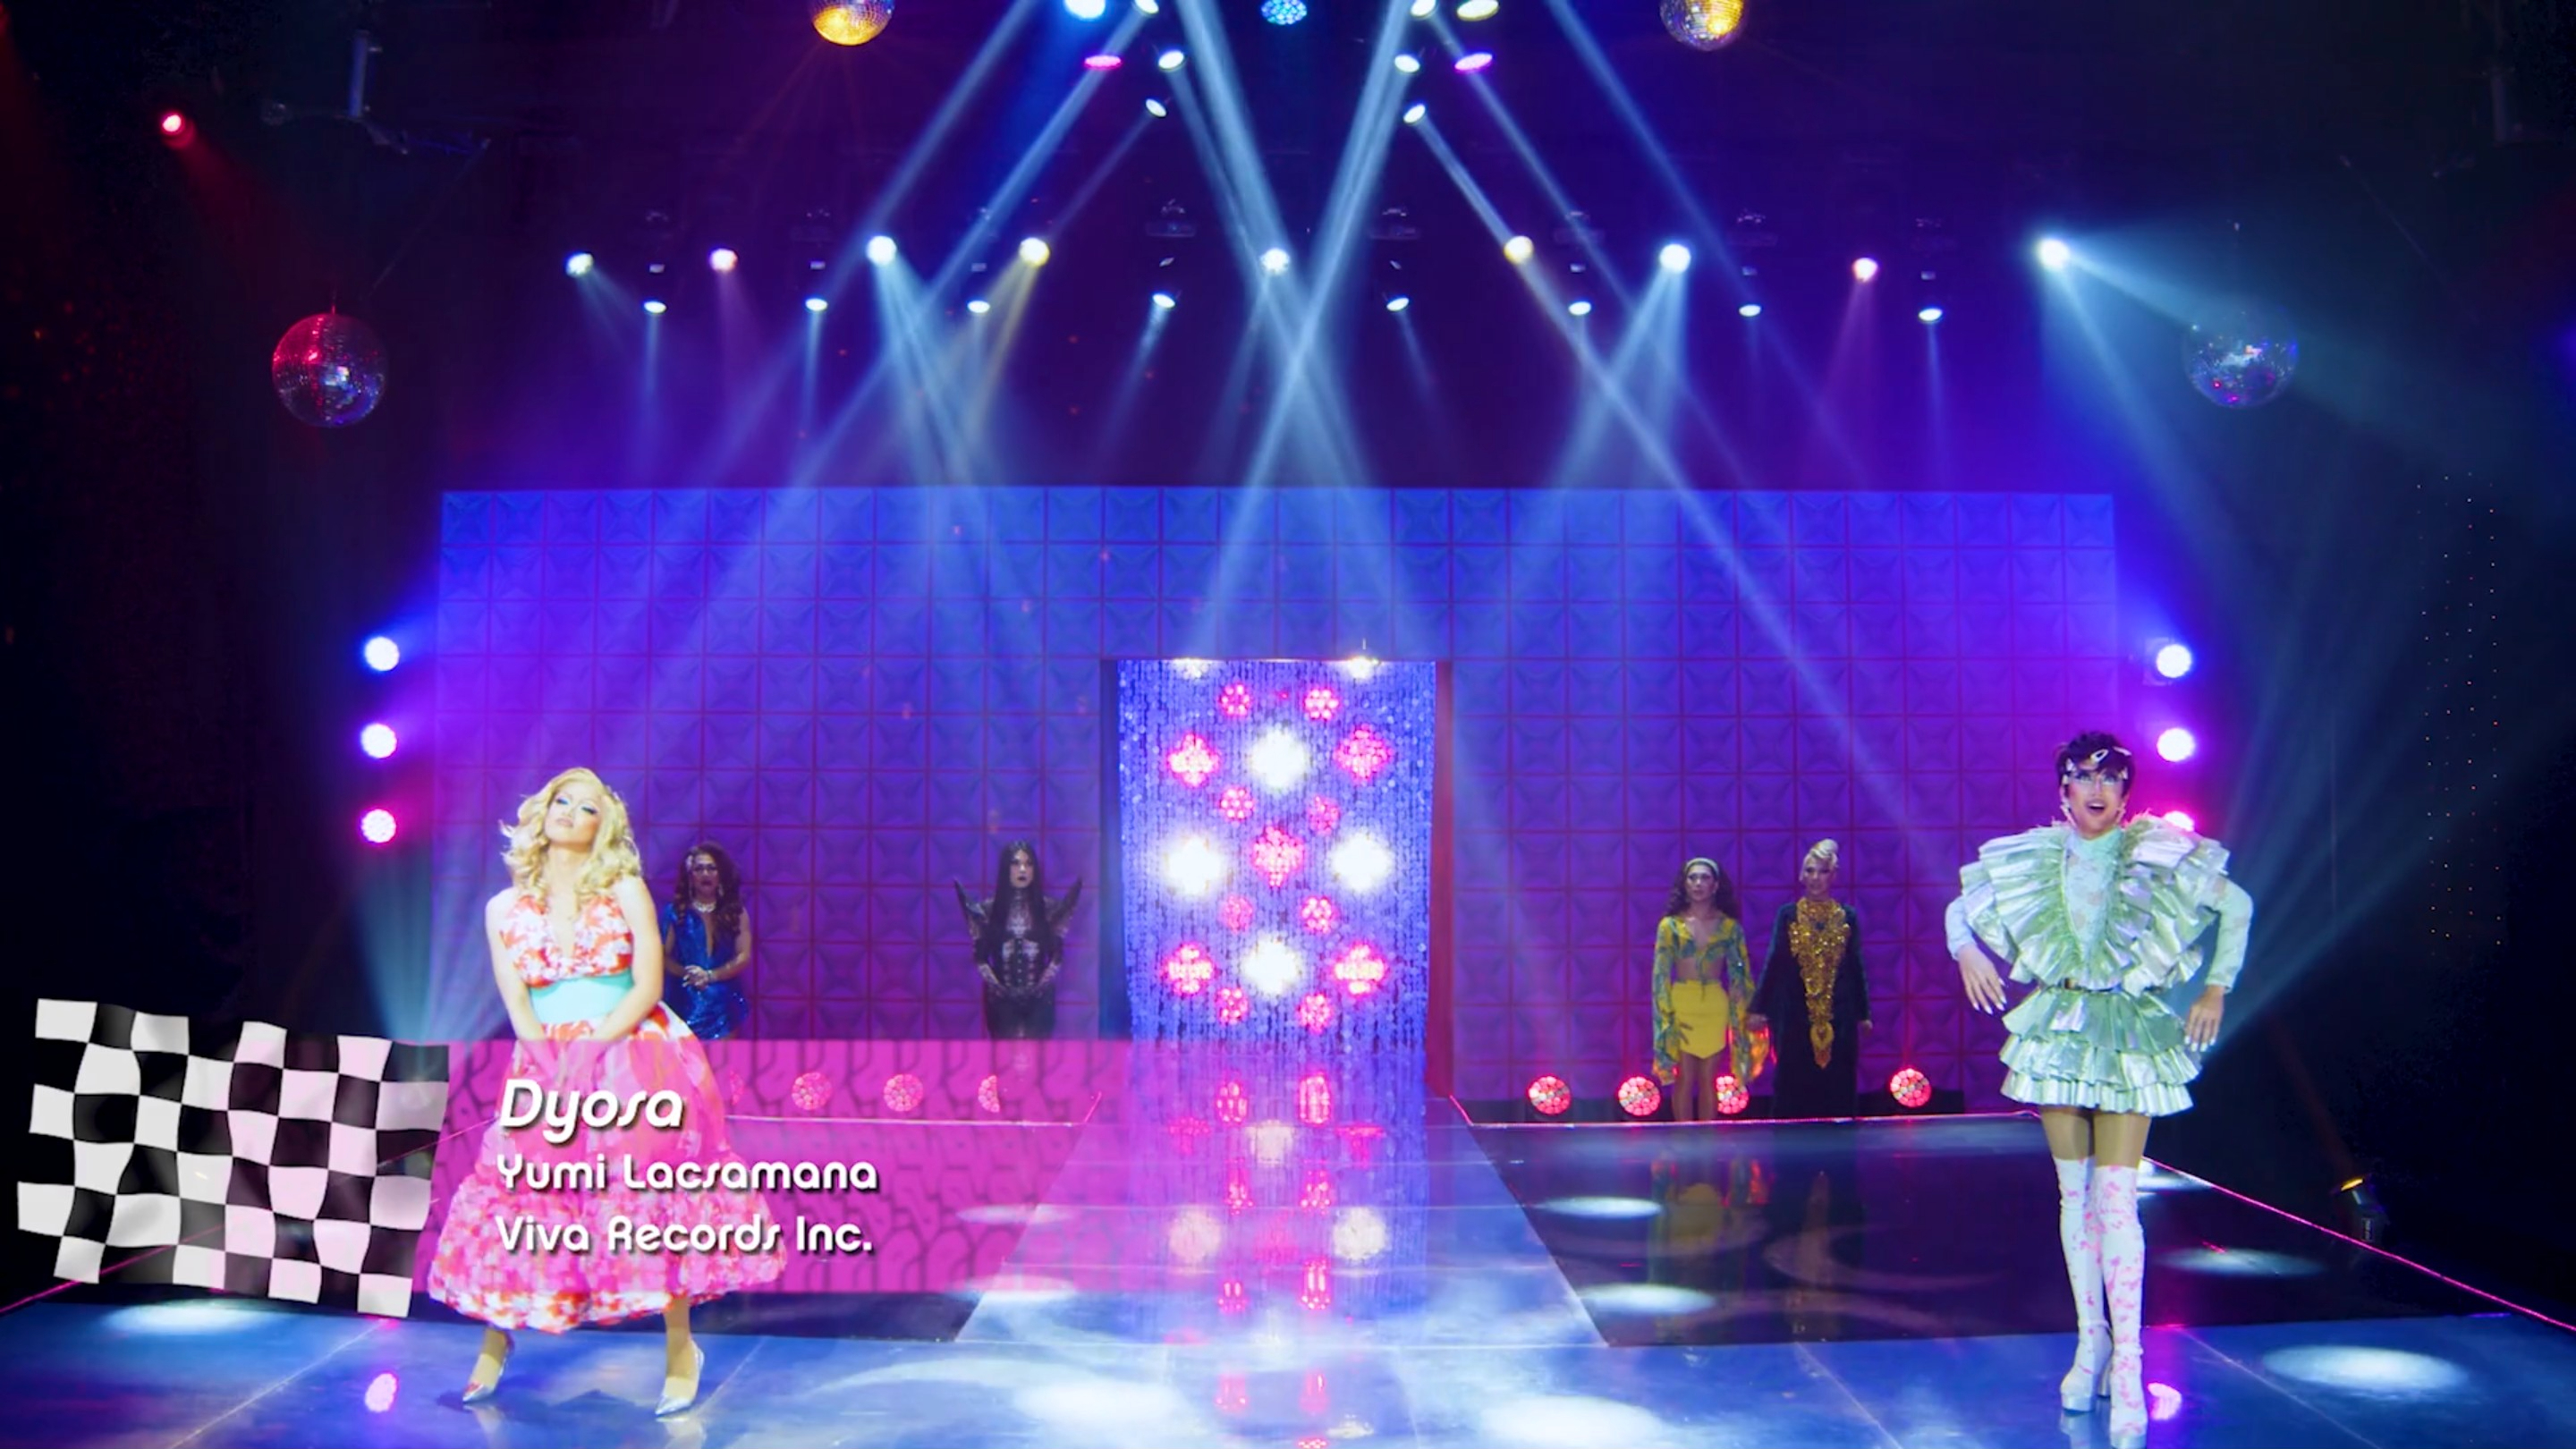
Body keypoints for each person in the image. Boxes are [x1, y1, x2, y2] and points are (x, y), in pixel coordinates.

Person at [427, 767, 782, 1418]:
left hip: (630, 1052)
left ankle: (681, 1349)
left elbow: (647, 985)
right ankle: (495, 1343)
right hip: (546, 1060)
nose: (568, 811)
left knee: (649, 1196)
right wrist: (550, 1061)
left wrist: (592, 1048)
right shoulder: (503, 908)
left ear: (603, 826)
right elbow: (518, 1003)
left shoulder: (623, 889)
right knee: (526, 1196)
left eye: (585, 807)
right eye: (560, 801)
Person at [1949, 733, 2252, 1447]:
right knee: (2074, 1196)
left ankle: (2131, 1360)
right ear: (2062, 788)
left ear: (2126, 790)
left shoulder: (2154, 851)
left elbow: (2235, 905)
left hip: (2125, 1031)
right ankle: (2091, 1345)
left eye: (2110, 778)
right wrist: (1966, 951)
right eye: (2082, 777)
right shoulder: (2040, 853)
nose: (2096, 789)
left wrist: (2215, 986)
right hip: (2059, 1028)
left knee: (2117, 1201)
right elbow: (1961, 907)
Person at [1748, 839, 1871, 1118]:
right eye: (1810, 871)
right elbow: (1776, 960)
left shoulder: (1847, 916)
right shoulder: (1788, 915)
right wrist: (1759, 1008)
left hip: (1840, 1010)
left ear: (1834, 876)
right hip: (1794, 1010)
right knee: (1793, 1077)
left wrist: (1863, 1014)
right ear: (1801, 875)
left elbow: (1855, 964)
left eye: (1823, 872)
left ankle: (1840, 1137)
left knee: (1838, 1078)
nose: (1816, 878)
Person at [1648, 858, 1762, 1122]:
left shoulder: (1729, 928)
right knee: (1684, 1076)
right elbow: (1660, 974)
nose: (1698, 883)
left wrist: (1745, 1010)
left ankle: (1707, 1139)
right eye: (1693, 878)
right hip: (1682, 1002)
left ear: (1715, 885)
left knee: (1708, 1077)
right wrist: (1664, 1014)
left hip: (1714, 1003)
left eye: (1705, 878)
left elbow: (1740, 973)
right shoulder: (1670, 926)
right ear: (1685, 884)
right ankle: (1683, 1137)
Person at [954, 841, 1083, 1041]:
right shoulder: (989, 910)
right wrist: (1001, 990)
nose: (1023, 870)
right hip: (1001, 1005)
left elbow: (1057, 956)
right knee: (1004, 1056)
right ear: (1006, 868)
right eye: (1016, 863)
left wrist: (1038, 989)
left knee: (1038, 1057)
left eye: (1028, 864)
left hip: (1039, 1005)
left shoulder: (1048, 909)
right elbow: (980, 958)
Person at [659, 841, 751, 1040]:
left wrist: (711, 976)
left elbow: (744, 956)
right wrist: (689, 975)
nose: (705, 874)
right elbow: (661, 956)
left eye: (711, 868)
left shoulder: (735, 912)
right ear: (690, 876)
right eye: (699, 869)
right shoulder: (675, 913)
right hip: (685, 1003)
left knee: (724, 1059)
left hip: (724, 1005)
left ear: (720, 875)